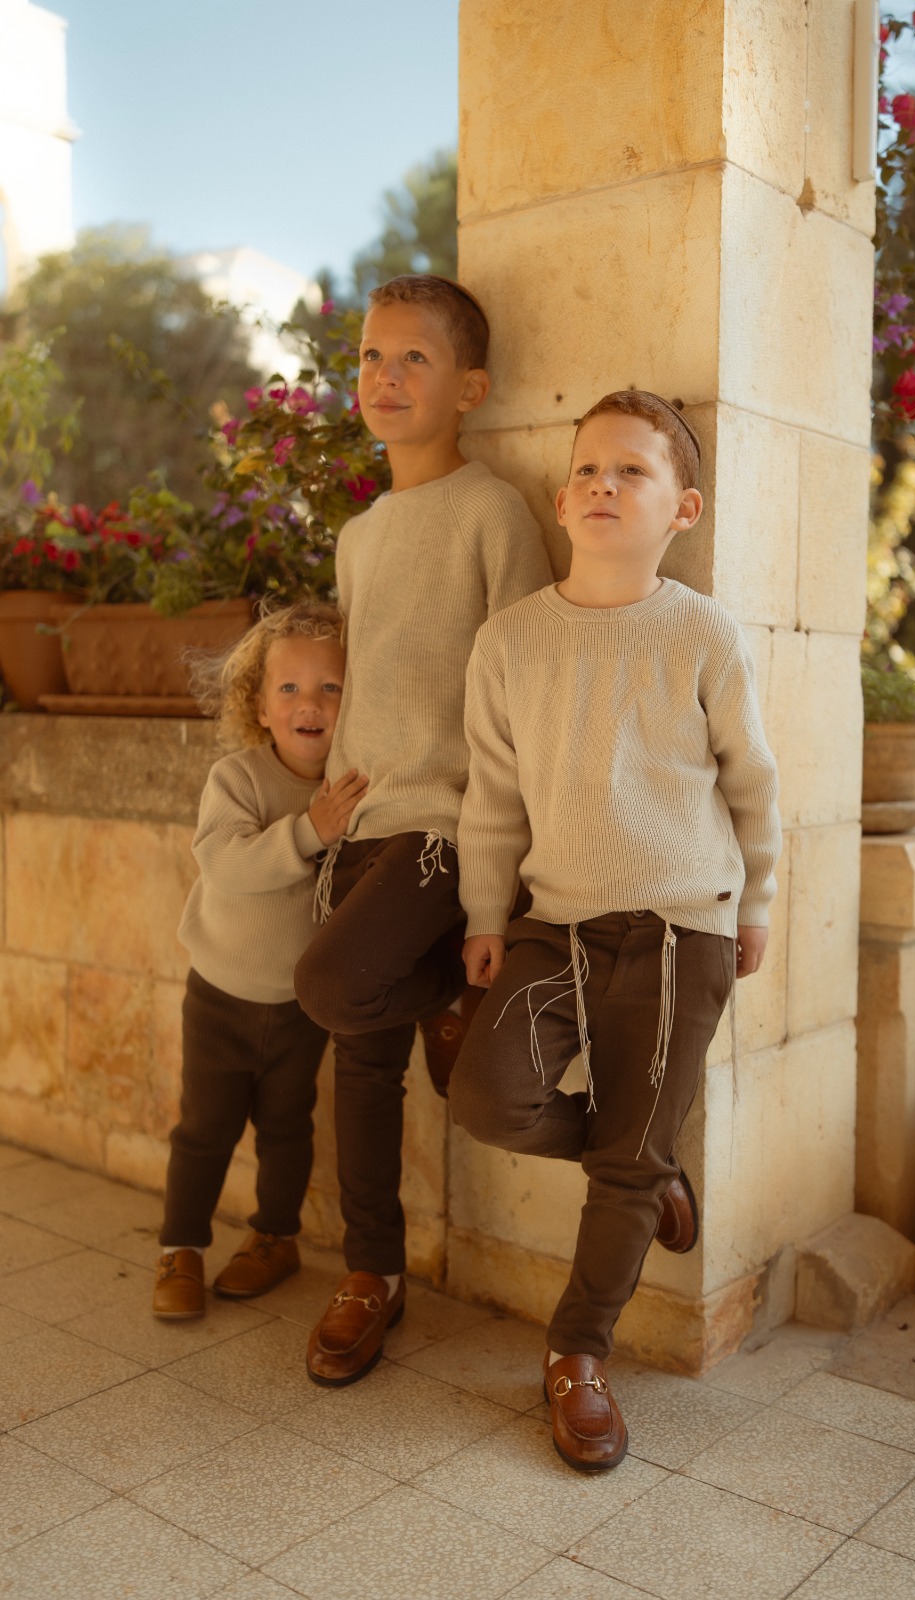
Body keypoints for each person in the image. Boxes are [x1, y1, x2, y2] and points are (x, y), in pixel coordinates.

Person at [450, 390, 782, 1471]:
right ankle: (643, 1162)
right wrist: (485, 913)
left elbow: (753, 783)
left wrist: (757, 902)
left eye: (631, 470)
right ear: (560, 500)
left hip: (685, 928)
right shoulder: (509, 641)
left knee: (627, 1164)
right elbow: (491, 797)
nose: (603, 484)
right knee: (489, 1094)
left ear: (682, 509)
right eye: (588, 468)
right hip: (557, 922)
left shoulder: (702, 631)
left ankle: (577, 1354)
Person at [293, 273, 554, 1386]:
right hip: (362, 825)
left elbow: (527, 686)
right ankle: (373, 1274)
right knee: (359, 1060)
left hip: (444, 829)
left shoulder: (493, 512)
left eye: (414, 359)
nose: (384, 377)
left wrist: (508, 855)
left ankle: (450, 993)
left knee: (328, 984)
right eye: (369, 356)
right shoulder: (359, 535)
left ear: (470, 389)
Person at [152, 602, 365, 1321]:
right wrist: (309, 831)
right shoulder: (238, 778)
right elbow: (225, 863)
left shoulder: (352, 788)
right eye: (290, 688)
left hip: (299, 1006)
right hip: (220, 994)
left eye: (331, 687)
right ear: (260, 706)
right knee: (204, 1129)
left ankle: (275, 1238)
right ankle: (181, 1247)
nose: (310, 704)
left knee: (286, 1128)